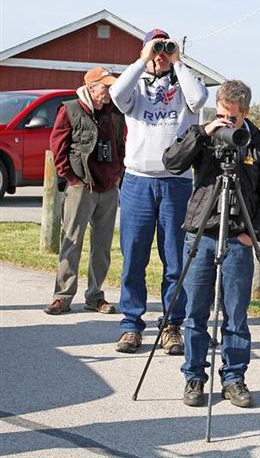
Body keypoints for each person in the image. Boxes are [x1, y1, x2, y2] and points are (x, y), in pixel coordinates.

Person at [162, 80, 260, 408]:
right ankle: (194, 377)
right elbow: (172, 162)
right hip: (202, 233)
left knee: (236, 314)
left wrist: (252, 234)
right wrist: (205, 133)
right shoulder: (205, 134)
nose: (228, 122)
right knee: (196, 311)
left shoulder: (259, 146)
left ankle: (233, 378)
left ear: (246, 112)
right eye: (222, 114)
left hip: (238, 238)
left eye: (234, 118)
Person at [110, 28, 208, 355]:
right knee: (134, 255)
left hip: (176, 182)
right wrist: (142, 60)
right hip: (138, 180)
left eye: (165, 49)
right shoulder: (135, 88)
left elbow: (200, 99)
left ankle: (172, 324)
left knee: (176, 258)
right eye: (156, 49)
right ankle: (131, 325)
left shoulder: (183, 87)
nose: (161, 55)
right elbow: (115, 94)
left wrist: (178, 62)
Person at [45, 67, 125, 316]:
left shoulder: (115, 114)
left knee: (102, 247)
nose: (110, 91)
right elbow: (58, 147)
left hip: (108, 187)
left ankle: (95, 296)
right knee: (72, 242)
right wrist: (71, 177)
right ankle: (62, 296)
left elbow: (121, 145)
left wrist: (117, 175)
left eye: (112, 87)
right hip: (81, 186)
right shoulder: (70, 109)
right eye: (106, 87)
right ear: (91, 88)